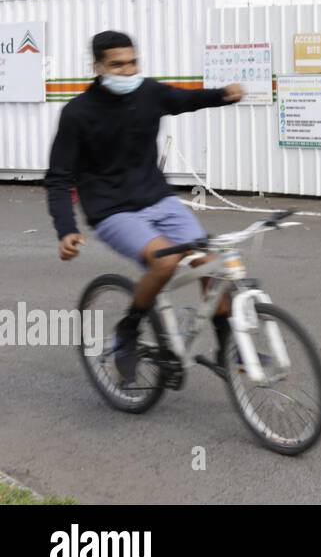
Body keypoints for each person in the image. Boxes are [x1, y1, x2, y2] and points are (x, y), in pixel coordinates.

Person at [45, 30, 245, 382]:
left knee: (211, 263)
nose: (127, 70)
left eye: (132, 62)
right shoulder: (78, 113)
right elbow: (59, 178)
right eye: (116, 64)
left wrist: (224, 96)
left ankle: (227, 348)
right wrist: (66, 229)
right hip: (112, 211)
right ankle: (128, 331)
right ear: (97, 67)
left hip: (158, 199)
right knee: (165, 260)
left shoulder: (148, 92)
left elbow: (186, 99)